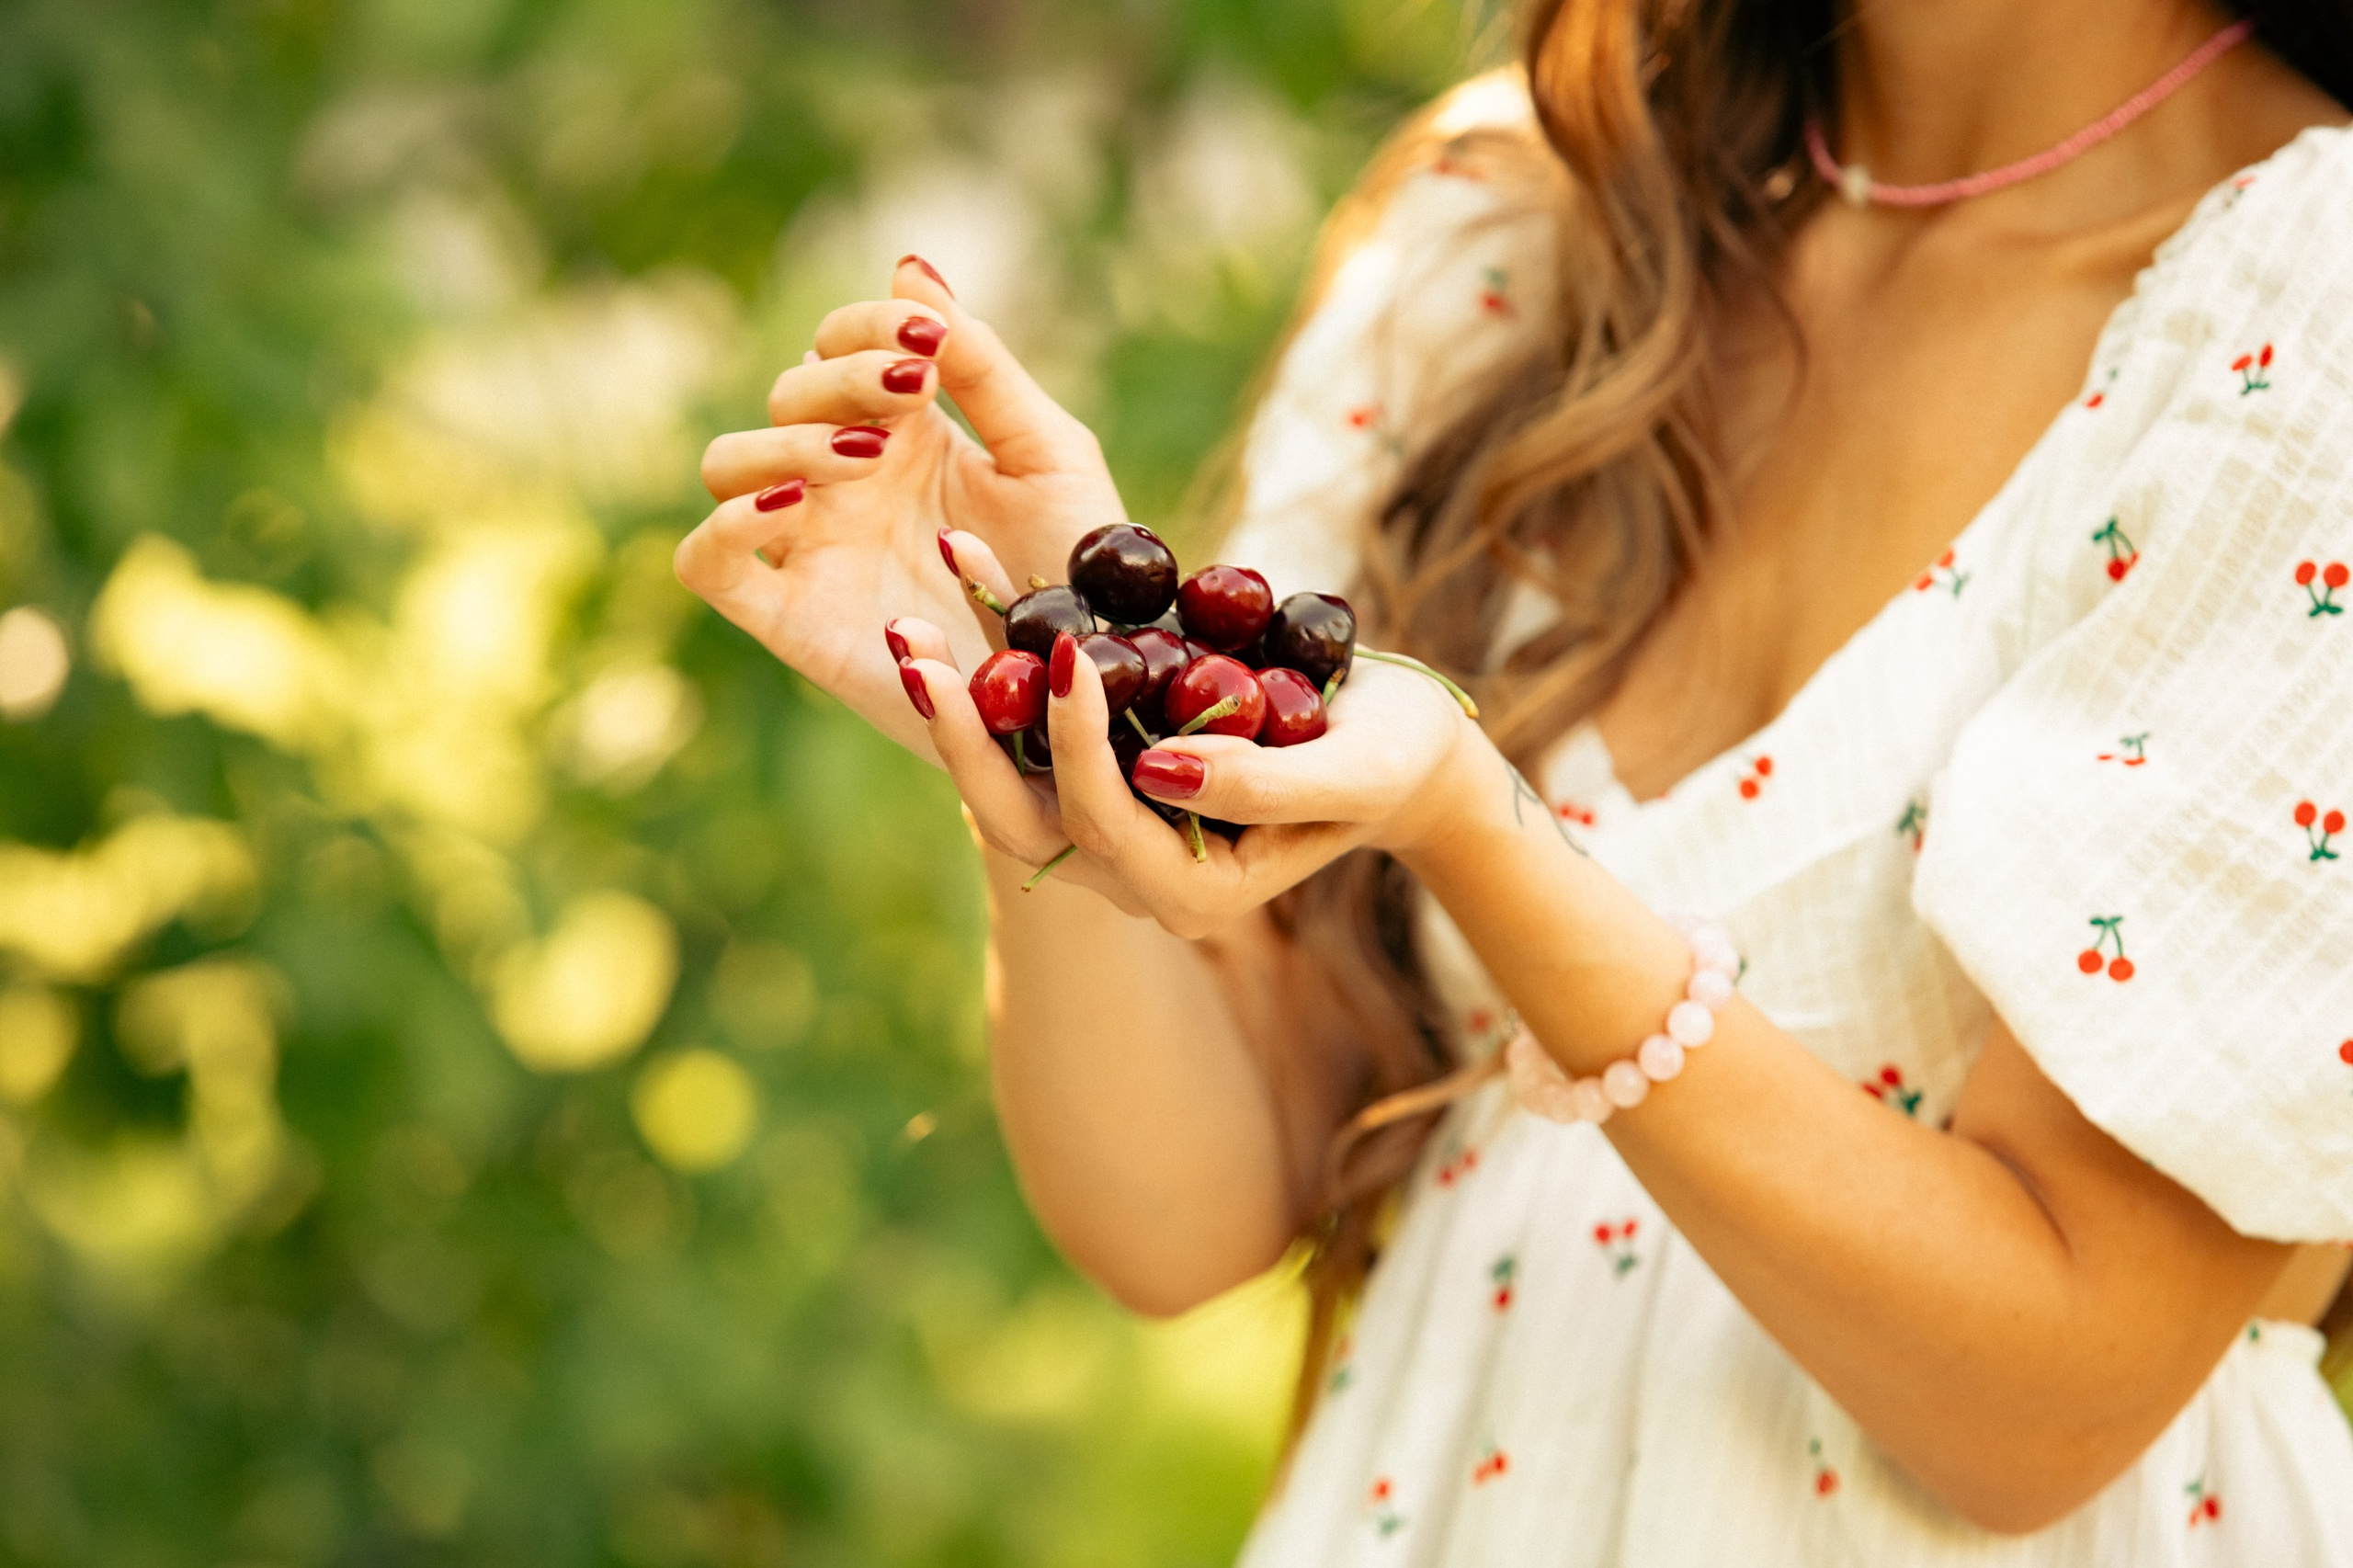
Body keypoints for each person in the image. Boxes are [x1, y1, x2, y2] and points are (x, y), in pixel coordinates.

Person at [677, 0, 2353, 1559]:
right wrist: (1042, 708)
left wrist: (1483, 836)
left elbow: (2045, 1399)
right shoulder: (1532, 229)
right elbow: (1181, 1213)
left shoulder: (2310, 307)